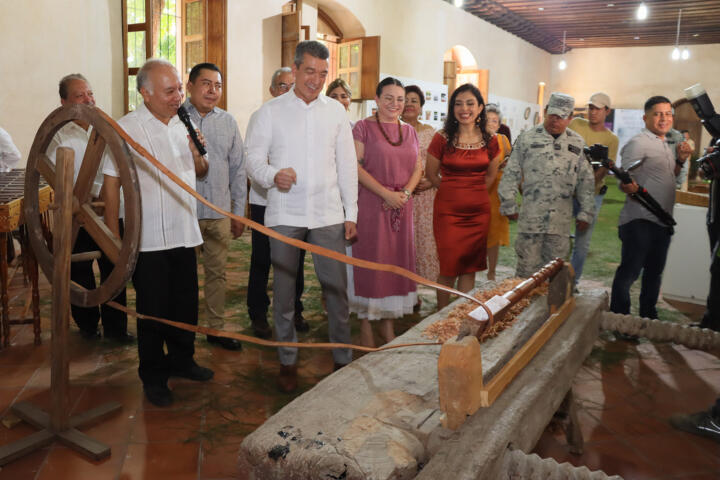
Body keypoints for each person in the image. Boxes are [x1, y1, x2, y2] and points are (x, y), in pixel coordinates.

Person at [246, 41, 357, 392]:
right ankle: (288, 358)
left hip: (327, 214)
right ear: (294, 70)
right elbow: (253, 160)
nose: (316, 80)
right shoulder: (269, 112)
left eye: (323, 74)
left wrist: (350, 212)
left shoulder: (336, 112)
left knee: (336, 289)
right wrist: (271, 176)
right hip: (285, 212)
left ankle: (342, 358)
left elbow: (347, 166)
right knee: (283, 292)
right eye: (309, 71)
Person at [103, 59, 214, 407]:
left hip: (184, 231)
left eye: (179, 88)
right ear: (145, 93)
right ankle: (153, 375)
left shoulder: (184, 124)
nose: (178, 96)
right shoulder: (125, 128)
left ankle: (183, 360)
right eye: (170, 90)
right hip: (146, 237)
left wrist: (199, 152)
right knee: (152, 310)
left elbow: (201, 169)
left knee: (185, 305)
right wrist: (113, 239)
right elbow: (110, 185)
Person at [46, 74, 131, 342]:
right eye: (80, 95)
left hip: (108, 210)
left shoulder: (105, 129)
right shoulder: (55, 135)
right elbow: (53, 176)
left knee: (114, 269)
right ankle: (87, 325)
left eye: (90, 94)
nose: (88, 100)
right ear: (64, 102)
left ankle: (117, 328)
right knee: (80, 271)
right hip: (75, 215)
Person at [349, 78, 422, 347]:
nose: (395, 104)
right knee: (372, 263)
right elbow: (355, 168)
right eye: (388, 98)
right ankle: (366, 324)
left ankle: (387, 324)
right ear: (377, 99)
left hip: (401, 207)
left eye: (400, 99)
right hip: (372, 204)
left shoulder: (410, 131)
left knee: (395, 265)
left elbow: (418, 168)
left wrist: (405, 194)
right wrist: (386, 194)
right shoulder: (362, 128)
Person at [609, 96, 691, 320]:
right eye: (658, 113)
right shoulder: (638, 143)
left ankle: (648, 316)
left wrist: (681, 161)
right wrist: (629, 186)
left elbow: (665, 177)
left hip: (661, 221)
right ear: (645, 117)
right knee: (630, 272)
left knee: (654, 274)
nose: (664, 118)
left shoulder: (664, 143)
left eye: (667, 114)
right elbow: (624, 181)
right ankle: (620, 318)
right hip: (639, 220)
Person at [498, 92, 595, 278]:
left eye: (561, 117)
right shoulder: (527, 139)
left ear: (570, 118)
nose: (555, 120)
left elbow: (586, 180)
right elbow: (511, 173)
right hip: (530, 222)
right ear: (545, 111)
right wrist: (508, 203)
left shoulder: (577, 144)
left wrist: (586, 212)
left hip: (560, 224)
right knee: (526, 275)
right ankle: (527, 308)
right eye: (552, 115)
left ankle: (551, 308)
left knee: (555, 274)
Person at [184, 62, 245, 351]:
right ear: (190, 86)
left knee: (217, 273)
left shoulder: (228, 122)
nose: (212, 90)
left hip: (219, 210)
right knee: (183, 276)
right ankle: (182, 333)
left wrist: (238, 210)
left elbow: (238, 168)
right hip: (185, 212)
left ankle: (215, 329)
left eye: (218, 85)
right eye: (206, 84)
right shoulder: (175, 118)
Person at [426, 84, 502, 309]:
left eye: (470, 103)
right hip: (447, 213)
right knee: (448, 266)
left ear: (480, 108)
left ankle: (460, 314)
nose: (464, 108)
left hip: (478, 213)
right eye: (458, 104)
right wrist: (452, 190)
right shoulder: (442, 138)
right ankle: (440, 315)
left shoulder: (491, 140)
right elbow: (431, 174)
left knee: (469, 266)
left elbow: (490, 176)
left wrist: (473, 192)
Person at [246, 66, 308, 339]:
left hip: (296, 200)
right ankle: (258, 314)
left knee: (296, 258)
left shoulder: (304, 118)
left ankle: (295, 309)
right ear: (272, 90)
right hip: (264, 200)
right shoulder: (262, 116)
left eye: (292, 85)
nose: (288, 91)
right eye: (283, 85)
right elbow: (255, 162)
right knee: (262, 260)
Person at [568, 92, 619, 286]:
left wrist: (584, 186)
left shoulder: (611, 139)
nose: (593, 112)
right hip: (566, 192)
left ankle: (572, 283)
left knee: (582, 243)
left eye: (597, 108)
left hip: (593, 195)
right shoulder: (576, 125)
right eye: (591, 107)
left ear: (607, 111)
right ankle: (552, 280)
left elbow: (605, 168)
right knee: (557, 238)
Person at [402, 84, 438, 290]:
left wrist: (432, 180)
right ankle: (404, 289)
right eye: (405, 100)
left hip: (425, 197)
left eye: (414, 101)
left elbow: (440, 164)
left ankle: (421, 286)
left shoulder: (431, 133)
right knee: (402, 243)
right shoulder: (392, 130)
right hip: (401, 195)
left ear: (421, 106)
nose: (409, 104)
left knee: (424, 242)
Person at [484, 103, 511, 281]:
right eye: (488, 120)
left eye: (495, 121)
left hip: (497, 193)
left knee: (494, 234)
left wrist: (504, 164)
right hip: (480, 188)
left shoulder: (502, 140)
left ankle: (492, 272)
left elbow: (510, 159)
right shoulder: (475, 139)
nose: (491, 123)